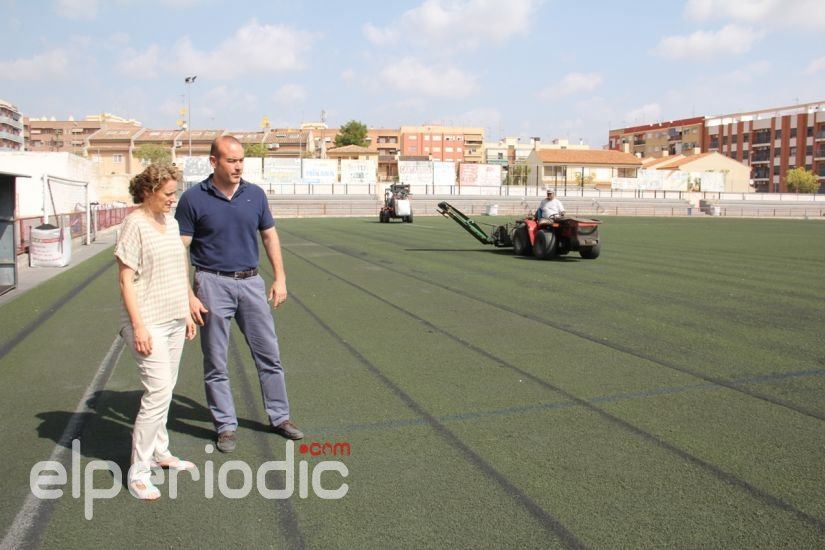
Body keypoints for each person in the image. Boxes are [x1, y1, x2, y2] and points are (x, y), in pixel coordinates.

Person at [175, 135, 303, 454]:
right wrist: (188, 294)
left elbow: (269, 236)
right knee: (216, 360)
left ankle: (280, 417)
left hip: (251, 282)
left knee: (269, 354)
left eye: (241, 160)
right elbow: (180, 249)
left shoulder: (255, 195)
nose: (238, 166)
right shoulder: (192, 199)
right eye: (231, 160)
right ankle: (225, 426)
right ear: (213, 162)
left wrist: (280, 278)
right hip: (211, 283)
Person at [115, 164, 197, 500]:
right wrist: (138, 326)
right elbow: (125, 280)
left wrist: (187, 310)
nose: (173, 199)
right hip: (148, 322)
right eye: (168, 193)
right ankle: (138, 472)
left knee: (166, 389)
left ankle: (161, 452)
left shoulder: (171, 222)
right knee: (158, 392)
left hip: (175, 318)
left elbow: (179, 268)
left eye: (174, 193)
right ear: (148, 192)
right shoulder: (133, 224)